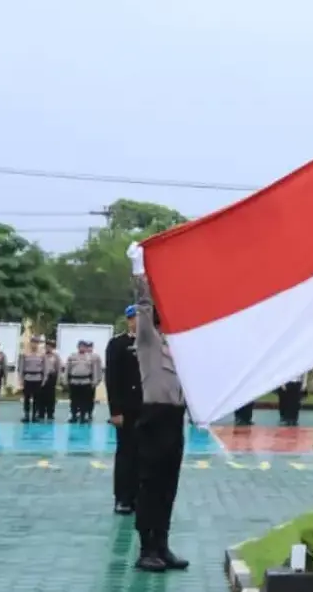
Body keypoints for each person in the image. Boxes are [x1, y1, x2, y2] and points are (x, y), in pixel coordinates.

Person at [126, 241, 189, 573]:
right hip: (154, 418)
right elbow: (144, 304)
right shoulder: (149, 342)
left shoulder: (178, 350)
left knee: (169, 485)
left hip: (175, 419)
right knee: (150, 486)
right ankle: (146, 548)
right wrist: (140, 271)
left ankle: (162, 545)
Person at [106, 305, 143, 514]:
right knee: (126, 453)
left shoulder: (152, 343)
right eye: (133, 318)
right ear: (128, 320)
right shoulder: (118, 344)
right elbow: (112, 379)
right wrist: (115, 411)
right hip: (127, 409)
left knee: (145, 454)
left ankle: (139, 496)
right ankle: (122, 497)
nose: (136, 322)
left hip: (148, 408)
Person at [65, 339, 103, 423]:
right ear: (78, 347)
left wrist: (95, 381)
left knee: (85, 400)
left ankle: (83, 416)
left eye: (84, 346)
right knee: (74, 400)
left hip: (86, 381)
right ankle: (74, 415)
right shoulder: (72, 356)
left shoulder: (91, 357)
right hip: (74, 381)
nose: (82, 348)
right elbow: (67, 369)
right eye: (80, 346)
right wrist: (66, 380)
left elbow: (94, 370)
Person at [18, 336, 47, 423]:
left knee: (36, 398)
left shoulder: (42, 354)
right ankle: (26, 415)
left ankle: (35, 415)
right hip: (27, 378)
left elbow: (45, 368)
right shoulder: (25, 354)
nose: (34, 344)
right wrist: (21, 379)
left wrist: (44, 379)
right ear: (30, 343)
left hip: (37, 378)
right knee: (27, 398)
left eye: (36, 343)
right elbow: (21, 367)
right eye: (33, 342)